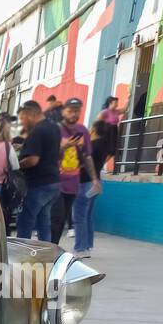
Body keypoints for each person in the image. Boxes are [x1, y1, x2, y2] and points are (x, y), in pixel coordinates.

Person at [51, 98, 100, 245]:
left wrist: (94, 178)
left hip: (73, 183)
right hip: (55, 182)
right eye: (70, 111)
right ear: (63, 111)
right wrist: (63, 147)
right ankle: (49, 248)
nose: (74, 114)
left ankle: (53, 248)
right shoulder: (55, 130)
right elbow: (47, 155)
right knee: (56, 217)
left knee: (62, 220)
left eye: (77, 111)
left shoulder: (83, 131)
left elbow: (87, 156)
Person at [16, 100, 62, 241]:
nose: (22, 123)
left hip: (38, 184)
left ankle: (21, 253)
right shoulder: (54, 128)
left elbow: (33, 160)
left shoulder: (37, 131)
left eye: (22, 118)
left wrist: (15, 165)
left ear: (30, 114)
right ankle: (46, 253)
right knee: (44, 222)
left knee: (25, 221)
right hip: (53, 182)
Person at [73, 119, 112, 257]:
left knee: (79, 216)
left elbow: (81, 162)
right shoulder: (104, 146)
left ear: (94, 130)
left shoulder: (91, 145)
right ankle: (87, 246)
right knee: (87, 216)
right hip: (95, 183)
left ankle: (80, 248)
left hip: (84, 182)